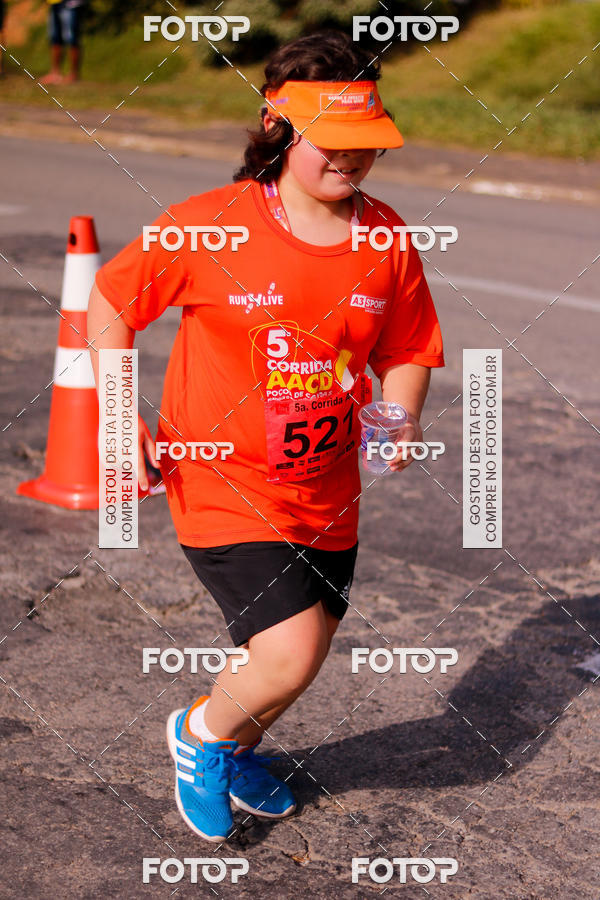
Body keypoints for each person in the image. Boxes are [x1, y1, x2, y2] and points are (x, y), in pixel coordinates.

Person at [87, 30, 444, 843]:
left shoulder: (386, 239)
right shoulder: (210, 225)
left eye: (365, 144)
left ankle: (238, 744)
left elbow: (410, 347)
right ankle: (200, 739)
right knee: (289, 649)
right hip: (222, 478)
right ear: (281, 128)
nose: (350, 161)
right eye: (332, 142)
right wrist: (120, 417)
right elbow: (110, 304)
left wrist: (401, 410)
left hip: (326, 488)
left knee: (296, 655)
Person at [40, 0, 85, 84]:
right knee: (55, 37)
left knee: (72, 38)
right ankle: (55, 73)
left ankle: (74, 74)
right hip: (55, 3)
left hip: (71, 4)